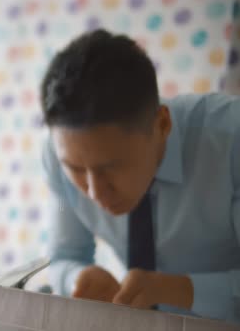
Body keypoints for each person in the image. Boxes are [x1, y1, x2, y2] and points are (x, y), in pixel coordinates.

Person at [41, 29, 240, 324]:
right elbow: (63, 257)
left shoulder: (231, 140)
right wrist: (77, 278)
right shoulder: (59, 154)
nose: (95, 193)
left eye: (112, 166)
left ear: (161, 124)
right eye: (77, 169)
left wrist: (177, 289)